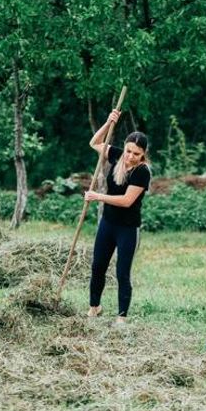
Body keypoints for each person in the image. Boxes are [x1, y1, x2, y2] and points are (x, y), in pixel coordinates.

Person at [84, 109, 151, 324]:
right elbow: (94, 143)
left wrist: (97, 196)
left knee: (122, 272)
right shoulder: (117, 155)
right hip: (108, 224)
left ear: (143, 154)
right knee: (98, 266)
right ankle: (94, 307)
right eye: (129, 151)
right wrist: (108, 122)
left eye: (136, 154)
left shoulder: (142, 171)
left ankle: (121, 317)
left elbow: (126, 201)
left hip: (128, 228)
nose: (130, 157)